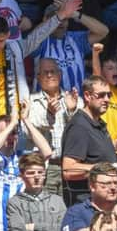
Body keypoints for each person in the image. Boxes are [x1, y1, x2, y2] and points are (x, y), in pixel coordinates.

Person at [0, 0, 81, 119]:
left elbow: (39, 34)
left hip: (17, 116)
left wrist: (61, 15)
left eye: (1, 40)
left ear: (8, 35)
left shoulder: (18, 47)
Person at [0, 102, 53, 231]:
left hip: (21, 228)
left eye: (14, 133)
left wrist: (25, 120)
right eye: (6, 133)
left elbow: (47, 152)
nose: (11, 137)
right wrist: (11, 125)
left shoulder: (23, 157)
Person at [28, 58, 81, 195]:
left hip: (72, 167)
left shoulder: (75, 100)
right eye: (45, 73)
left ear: (60, 74)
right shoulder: (31, 102)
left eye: (53, 71)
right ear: (38, 77)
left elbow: (81, 132)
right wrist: (49, 115)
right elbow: (28, 132)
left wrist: (71, 111)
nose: (50, 75)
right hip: (46, 167)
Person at [6, 153, 66, 231]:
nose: (37, 177)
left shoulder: (57, 200)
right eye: (31, 173)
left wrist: (35, 227)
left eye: (40, 172)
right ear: (22, 176)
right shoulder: (15, 203)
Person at [61, 75, 117, 205]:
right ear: (87, 96)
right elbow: (69, 170)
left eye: (109, 95)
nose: (107, 99)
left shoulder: (99, 124)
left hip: (103, 205)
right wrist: (103, 169)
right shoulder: (79, 126)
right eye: (101, 95)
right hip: (85, 206)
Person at [32, 3, 108, 93]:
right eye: (57, 19)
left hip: (79, 103)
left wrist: (76, 14)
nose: (61, 23)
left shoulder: (75, 39)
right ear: (45, 20)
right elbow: (33, 37)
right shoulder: (41, 42)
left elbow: (103, 32)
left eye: (65, 19)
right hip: (48, 105)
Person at [91, 44, 117, 146]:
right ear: (102, 72)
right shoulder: (102, 89)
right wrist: (95, 54)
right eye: (110, 68)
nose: (115, 71)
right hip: (101, 143)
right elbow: (96, 73)